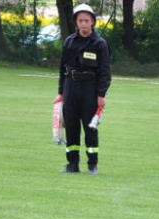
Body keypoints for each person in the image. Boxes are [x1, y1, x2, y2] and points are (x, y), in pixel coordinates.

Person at [54, 3, 111, 175]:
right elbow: (62, 69)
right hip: (70, 87)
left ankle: (92, 165)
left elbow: (105, 72)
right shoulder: (69, 42)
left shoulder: (99, 44)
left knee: (90, 129)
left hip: (90, 89)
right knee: (71, 127)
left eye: (87, 20)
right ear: (76, 22)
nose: (84, 23)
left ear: (92, 22)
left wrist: (101, 94)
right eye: (80, 20)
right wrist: (60, 92)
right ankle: (72, 164)